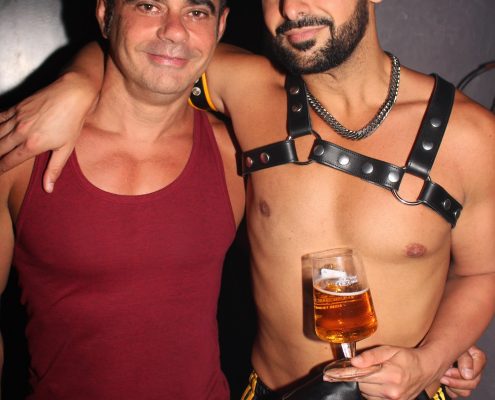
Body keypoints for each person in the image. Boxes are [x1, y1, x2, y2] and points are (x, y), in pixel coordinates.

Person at [1, 0, 494, 399]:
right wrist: (76, 83)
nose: (291, 8)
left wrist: (432, 357)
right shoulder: (250, 90)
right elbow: (140, 49)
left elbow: (483, 272)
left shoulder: (471, 136)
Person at [0, 0, 246, 398]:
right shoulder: (21, 150)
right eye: (149, 6)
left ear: (221, 26)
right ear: (105, 15)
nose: (175, 30)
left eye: (196, 12)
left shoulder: (236, 156)